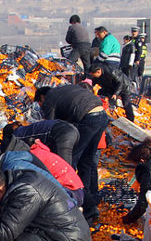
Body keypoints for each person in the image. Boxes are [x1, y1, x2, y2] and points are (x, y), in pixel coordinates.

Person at [35, 84, 112, 223]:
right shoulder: (63, 91)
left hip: (89, 117)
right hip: (101, 115)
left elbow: (52, 125)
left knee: (71, 162)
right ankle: (90, 198)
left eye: (40, 104)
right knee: (87, 160)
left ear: (42, 97)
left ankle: (80, 201)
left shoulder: (50, 99)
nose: (42, 107)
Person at [12, 119, 79, 164]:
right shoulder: (31, 127)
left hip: (61, 134)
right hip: (73, 130)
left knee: (64, 169)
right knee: (70, 168)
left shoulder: (18, 135)